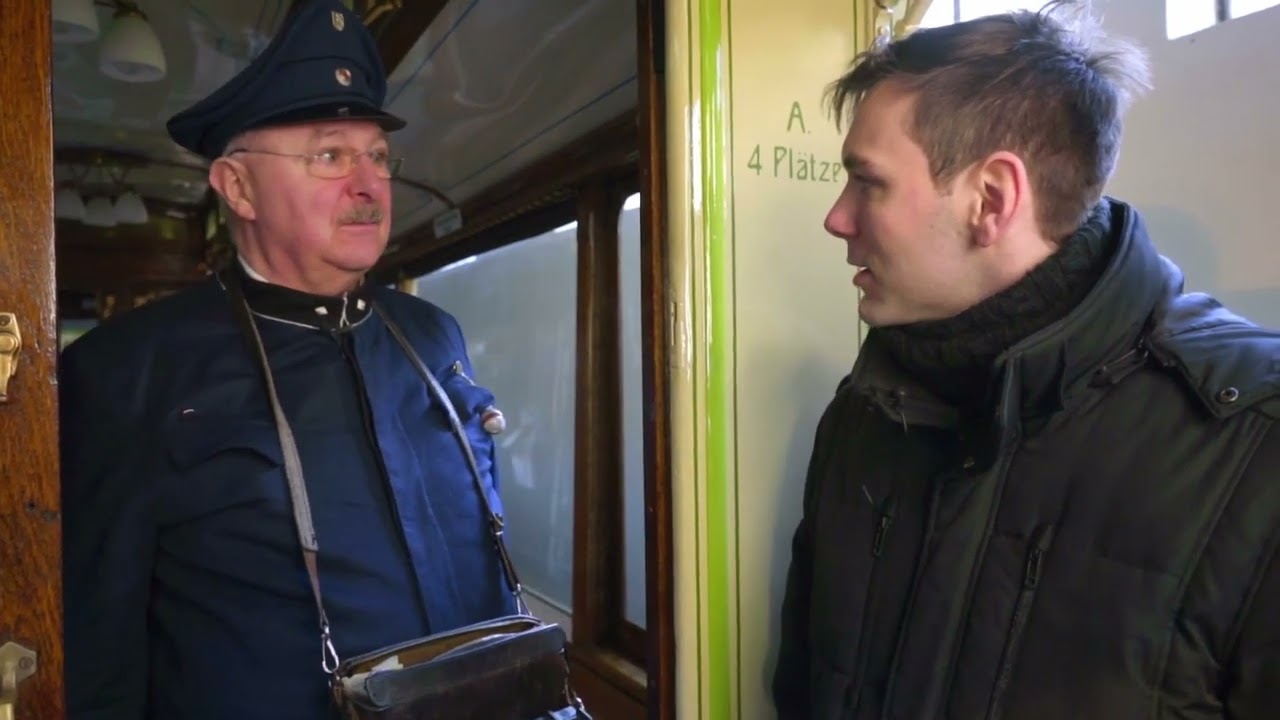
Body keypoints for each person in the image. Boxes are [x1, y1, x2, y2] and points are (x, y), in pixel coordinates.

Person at [773, 3, 1280, 718]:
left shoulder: (1258, 446)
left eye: (869, 182)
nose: (837, 217)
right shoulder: (862, 413)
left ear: (991, 199)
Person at [59, 1, 516, 717]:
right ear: (237, 188)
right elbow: (97, 650)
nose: (368, 185)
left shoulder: (433, 336)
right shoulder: (128, 372)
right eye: (330, 155)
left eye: (377, 157)